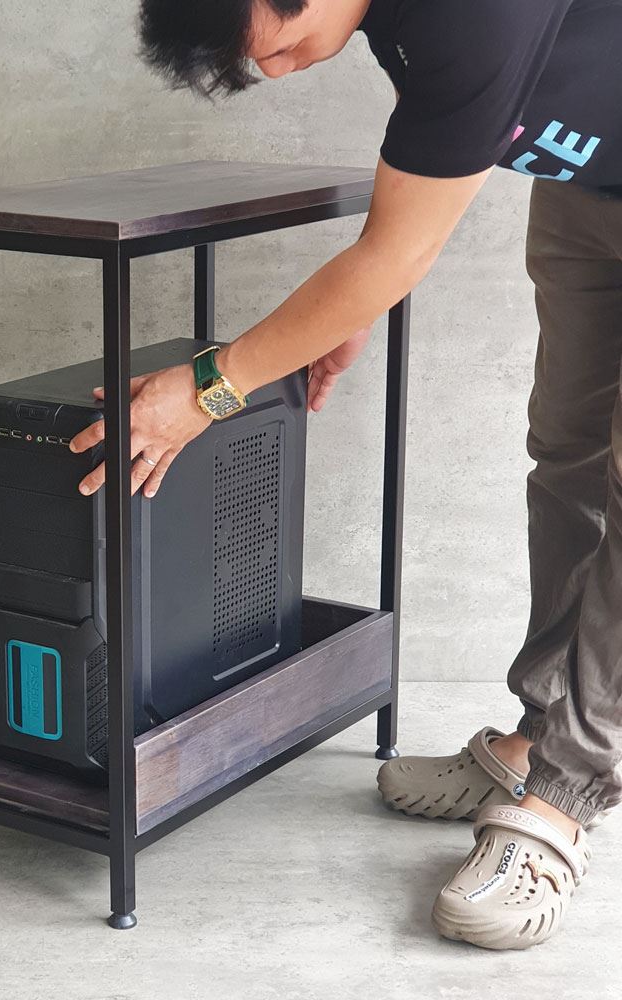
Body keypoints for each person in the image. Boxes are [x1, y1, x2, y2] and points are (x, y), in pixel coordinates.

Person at [65, 0, 622, 950]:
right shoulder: (394, 19)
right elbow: (422, 185)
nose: (279, 72)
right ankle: (542, 733)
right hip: (590, 195)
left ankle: (568, 794)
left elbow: (396, 246)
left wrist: (209, 389)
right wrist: (356, 301)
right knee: (567, 458)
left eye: (274, 48)